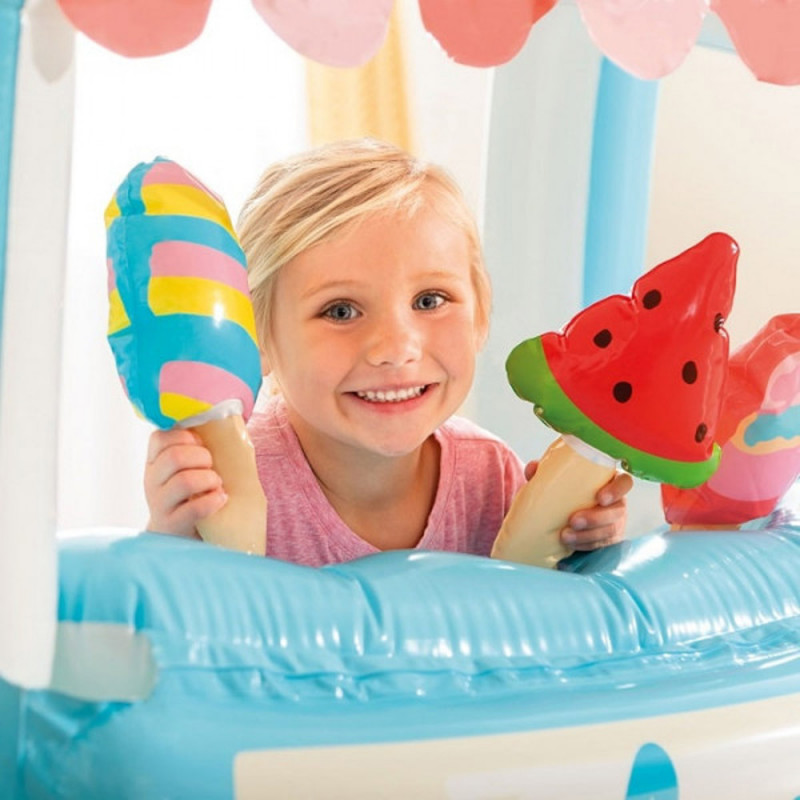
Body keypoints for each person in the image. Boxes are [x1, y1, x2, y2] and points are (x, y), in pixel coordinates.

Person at [144, 139, 632, 566]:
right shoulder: (232, 484)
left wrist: (585, 548)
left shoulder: (490, 478)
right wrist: (171, 541)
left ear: (480, 315)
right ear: (257, 340)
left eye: (430, 301)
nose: (397, 349)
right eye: (340, 311)